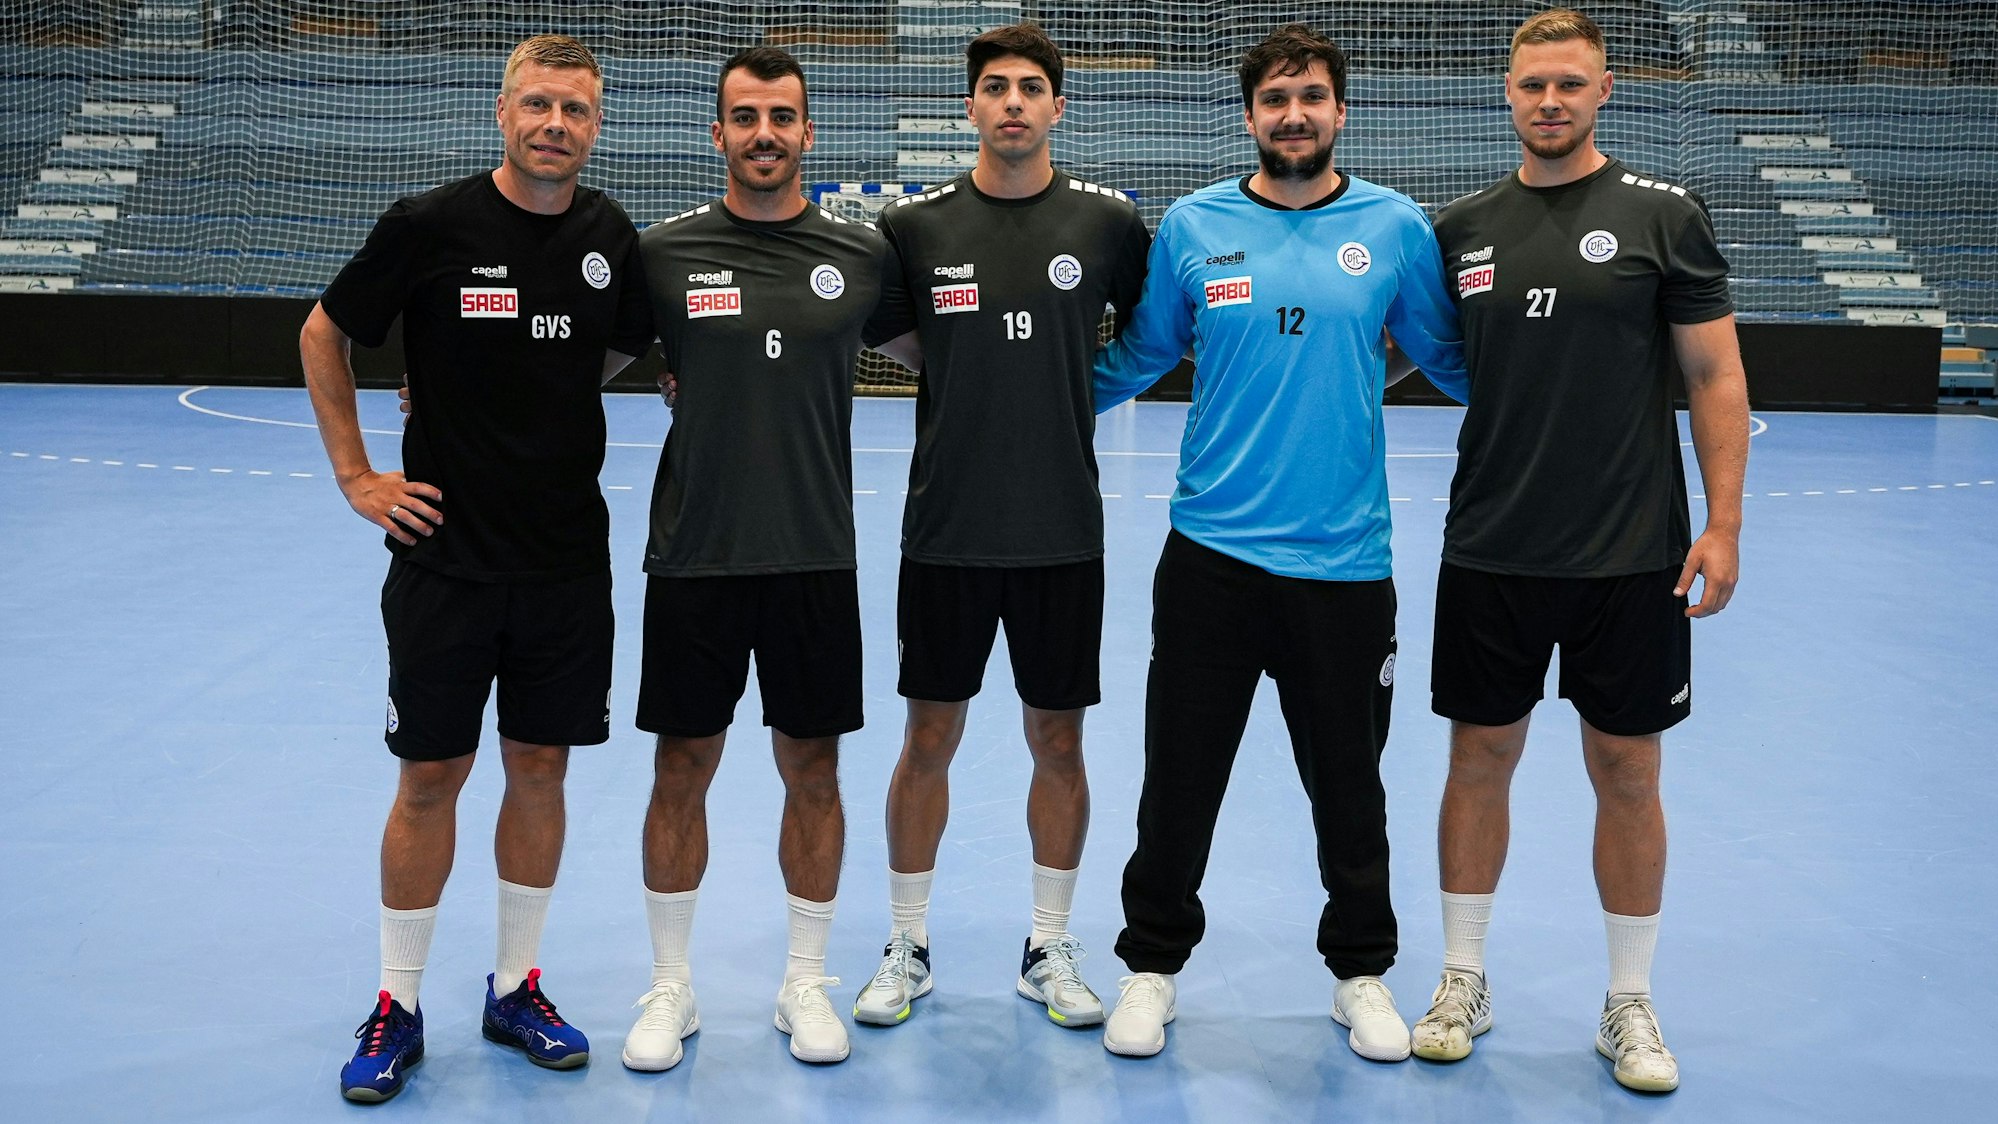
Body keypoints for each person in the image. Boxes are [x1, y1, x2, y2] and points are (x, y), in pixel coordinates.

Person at [1088, 24, 1469, 1061]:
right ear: (1250, 114)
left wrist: (1567, 400)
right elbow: (1139, 354)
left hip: (1346, 564)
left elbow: (1448, 357)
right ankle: (1151, 966)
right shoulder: (1195, 225)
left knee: (1351, 783)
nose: (1293, 116)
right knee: (1180, 774)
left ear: (1340, 111)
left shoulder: (1393, 229)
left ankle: (1361, 971)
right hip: (1211, 553)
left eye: (1311, 97)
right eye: (1274, 100)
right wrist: (1018, 405)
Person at [300, 34, 652, 1103]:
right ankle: (396, 1002)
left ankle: (514, 985)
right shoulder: (429, 225)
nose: (556, 125)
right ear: (503, 113)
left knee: (541, 770)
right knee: (430, 778)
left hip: (563, 564)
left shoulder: (608, 234)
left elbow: (622, 344)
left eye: (576, 110)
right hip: (444, 559)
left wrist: (520, 379)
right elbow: (324, 333)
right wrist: (361, 477)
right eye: (539, 105)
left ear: (596, 126)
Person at [1410, 8, 1748, 1095]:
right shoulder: (1459, 227)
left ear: (1605, 92)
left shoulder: (1666, 216)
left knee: (1629, 769)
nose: (1549, 101)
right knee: (1478, 760)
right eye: (1532, 85)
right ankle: (1463, 976)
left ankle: (1629, 1001)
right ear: (1505, 96)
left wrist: (1725, 523)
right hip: (1493, 547)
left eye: (1570, 84)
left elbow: (1713, 378)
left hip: (1630, 554)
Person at [849, 22, 1151, 1032]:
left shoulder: (1107, 225)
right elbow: (895, 333)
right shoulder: (919, 228)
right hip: (947, 529)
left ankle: (1048, 941)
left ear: (1058, 106)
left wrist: (1075, 385)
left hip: (1064, 531)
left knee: (1057, 739)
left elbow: (1153, 332)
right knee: (926, 736)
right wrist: (971, 368)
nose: (1012, 101)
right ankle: (906, 938)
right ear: (969, 107)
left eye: (1030, 87)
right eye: (994, 87)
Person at [617, 46, 914, 1071]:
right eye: (744, 117)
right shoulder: (662, 255)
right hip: (694, 554)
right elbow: (565, 357)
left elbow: (946, 353)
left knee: (814, 769)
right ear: (718, 134)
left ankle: (804, 980)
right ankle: (670, 987)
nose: (764, 135)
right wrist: (445, 383)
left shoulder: (860, 256)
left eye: (781, 117)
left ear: (808, 133)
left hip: (814, 555)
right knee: (679, 767)